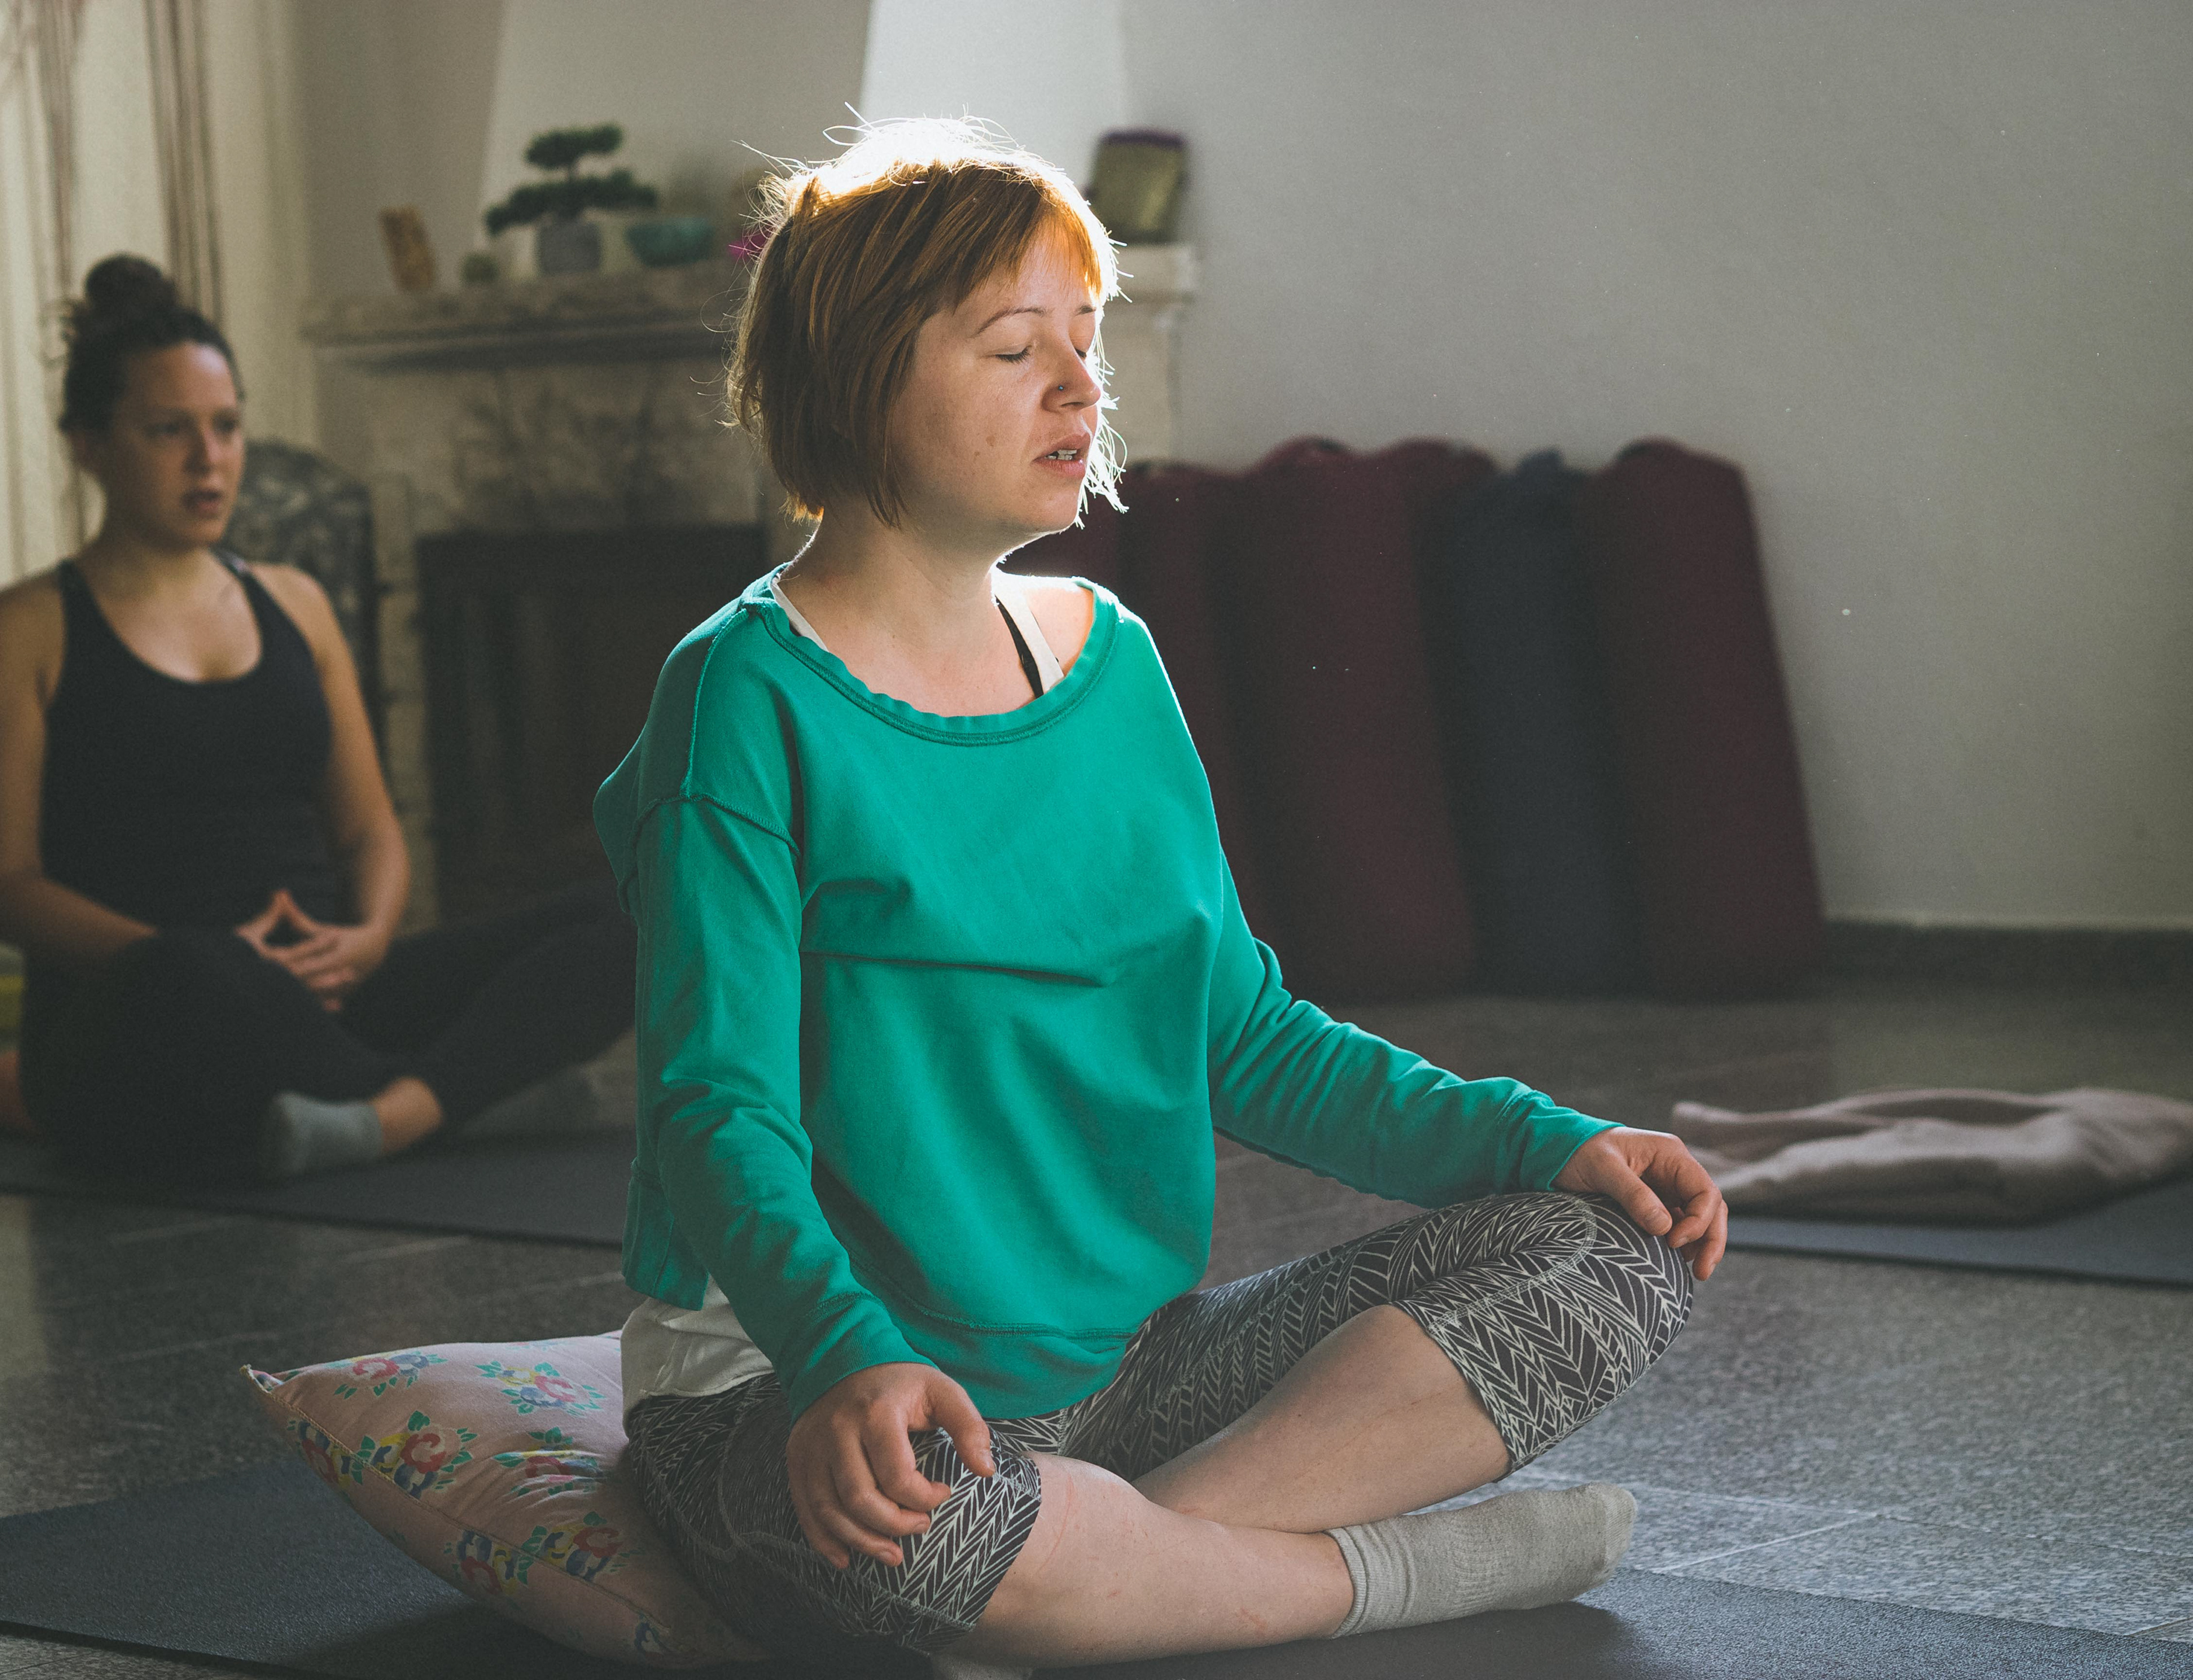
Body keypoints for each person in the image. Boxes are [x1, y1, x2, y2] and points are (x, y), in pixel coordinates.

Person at [598, 122, 1728, 1671]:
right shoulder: (740, 694)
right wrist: (844, 1356)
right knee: (941, 1539)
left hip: (1125, 1376)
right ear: (856, 379)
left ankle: (1114, 1580)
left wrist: (1549, 1142)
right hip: (816, 1388)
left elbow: (1245, 1039)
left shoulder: (1113, 662)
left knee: (1613, 1250)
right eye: (1018, 349)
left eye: (1089, 339)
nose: (1081, 387)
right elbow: (717, 1108)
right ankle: (1388, 1574)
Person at [0, 254, 636, 1183]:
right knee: (195, 980)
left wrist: (366, 942)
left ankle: (393, 1110)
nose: (210, 459)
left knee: (637, 911)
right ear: (89, 445)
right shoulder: (21, 629)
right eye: (169, 431)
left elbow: (369, 832)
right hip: (149, 1002)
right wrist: (194, 954)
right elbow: (0, 885)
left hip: (325, 993)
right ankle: (462, 1093)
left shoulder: (295, 605)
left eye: (227, 426)